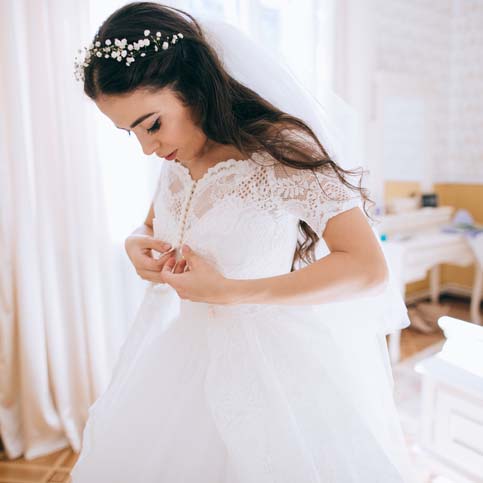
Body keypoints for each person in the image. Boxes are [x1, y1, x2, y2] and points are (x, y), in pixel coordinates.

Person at [70, 2, 414, 482]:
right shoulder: (176, 154)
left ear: (190, 87)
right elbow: (152, 223)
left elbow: (366, 266)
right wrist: (134, 241)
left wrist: (231, 292)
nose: (148, 147)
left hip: (274, 369)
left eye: (151, 124)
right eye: (130, 133)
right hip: (183, 357)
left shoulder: (282, 150)